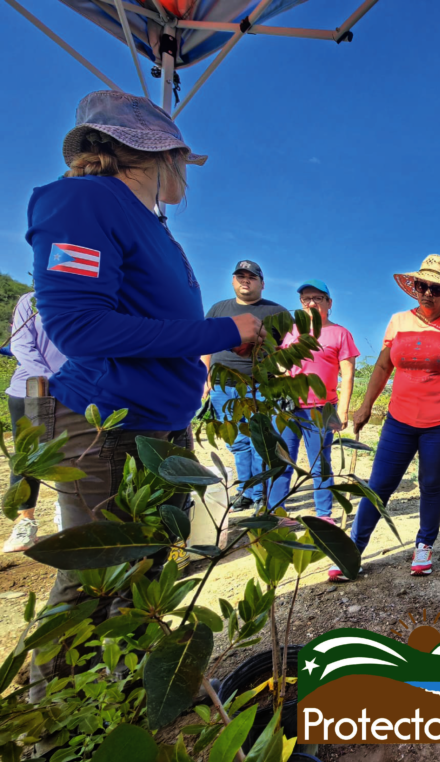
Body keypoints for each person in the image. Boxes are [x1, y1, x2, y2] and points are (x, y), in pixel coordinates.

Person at [25, 90, 265, 705]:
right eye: (182, 160)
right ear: (157, 154)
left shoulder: (148, 223)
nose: (185, 174)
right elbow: (79, 327)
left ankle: (127, 695)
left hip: (159, 427)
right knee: (97, 581)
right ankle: (55, 719)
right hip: (106, 424)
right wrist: (222, 332)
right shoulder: (83, 201)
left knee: (150, 568)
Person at [351, 255, 440, 577]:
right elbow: (382, 366)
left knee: (431, 484)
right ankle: (353, 550)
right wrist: (365, 407)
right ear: (414, 287)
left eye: (436, 288)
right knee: (378, 486)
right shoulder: (398, 321)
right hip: (398, 420)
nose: (428, 293)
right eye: (422, 285)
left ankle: (424, 546)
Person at [267, 280, 359, 578]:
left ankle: (324, 515)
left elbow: (347, 375)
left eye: (317, 298)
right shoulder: (292, 332)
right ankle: (276, 514)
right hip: (287, 408)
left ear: (329, 303)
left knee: (321, 463)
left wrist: (342, 410)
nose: (310, 304)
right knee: (282, 461)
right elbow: (280, 365)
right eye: (305, 299)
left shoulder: (340, 333)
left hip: (321, 409)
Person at [202, 260, 288, 511]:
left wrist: (284, 379)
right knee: (237, 441)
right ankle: (246, 492)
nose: (245, 280)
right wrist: (203, 378)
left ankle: (261, 492)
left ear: (262, 283)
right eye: (240, 276)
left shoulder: (277, 312)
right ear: (232, 281)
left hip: (259, 385)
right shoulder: (219, 309)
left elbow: (287, 349)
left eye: (251, 277)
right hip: (222, 386)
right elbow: (205, 344)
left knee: (259, 440)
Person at [4, 292, 66, 552]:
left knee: (79, 453)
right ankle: (24, 523)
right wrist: (53, 378)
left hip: (80, 390)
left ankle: (69, 516)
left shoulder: (93, 297)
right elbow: (21, 345)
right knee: (29, 458)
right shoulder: (31, 301)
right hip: (31, 389)